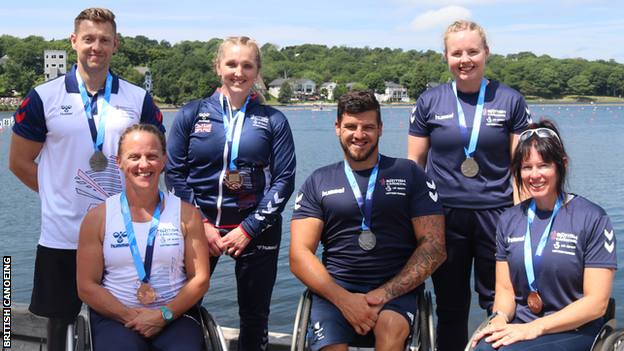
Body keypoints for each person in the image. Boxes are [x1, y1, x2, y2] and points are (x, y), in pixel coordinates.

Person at [8, 8, 164, 351]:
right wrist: (57, 194)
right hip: (62, 234)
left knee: (125, 326)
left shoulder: (138, 99)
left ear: (115, 45)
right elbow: (19, 163)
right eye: (89, 39)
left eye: (104, 40)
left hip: (122, 233)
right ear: (74, 41)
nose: (97, 47)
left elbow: (155, 161)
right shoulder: (43, 96)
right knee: (59, 327)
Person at [407, 20, 532, 351]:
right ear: (446, 57)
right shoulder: (430, 101)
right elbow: (414, 168)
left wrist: (523, 220)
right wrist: (413, 220)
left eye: (473, 51)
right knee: (451, 309)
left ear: (486, 53)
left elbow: (523, 169)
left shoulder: (510, 100)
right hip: (443, 219)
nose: (466, 59)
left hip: (498, 217)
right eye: (457, 52)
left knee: (500, 307)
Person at [165, 36, 296, 351]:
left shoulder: (273, 120)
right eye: (232, 64)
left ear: (257, 71)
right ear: (218, 67)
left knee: (254, 316)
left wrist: (248, 229)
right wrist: (201, 225)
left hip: (255, 230)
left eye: (247, 65)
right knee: (183, 308)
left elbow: (285, 180)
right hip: (199, 228)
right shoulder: (191, 113)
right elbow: (173, 174)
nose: (239, 72)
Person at [290, 89, 446, 351]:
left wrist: (383, 293)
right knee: (330, 344)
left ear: (381, 129)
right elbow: (299, 254)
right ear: (337, 127)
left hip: (396, 291)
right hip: (334, 291)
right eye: (351, 126)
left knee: (390, 326)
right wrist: (344, 300)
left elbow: (434, 247)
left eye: (368, 127)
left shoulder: (410, 174)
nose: (359, 135)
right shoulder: (318, 181)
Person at [471, 120, 616, 351]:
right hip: (522, 326)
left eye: (544, 165)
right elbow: (506, 292)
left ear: (562, 165)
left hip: (576, 329)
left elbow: (596, 303)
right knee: (483, 348)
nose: (534, 175)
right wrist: (498, 318)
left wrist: (536, 328)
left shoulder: (593, 218)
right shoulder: (508, 220)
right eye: (527, 167)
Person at [77, 124, 210, 350]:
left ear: (164, 161)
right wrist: (130, 315)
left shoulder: (187, 214)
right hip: (116, 317)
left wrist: (163, 315)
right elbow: (86, 285)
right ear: (119, 162)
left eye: (152, 156)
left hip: (175, 316)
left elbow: (200, 279)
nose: (144, 164)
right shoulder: (97, 218)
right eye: (134, 157)